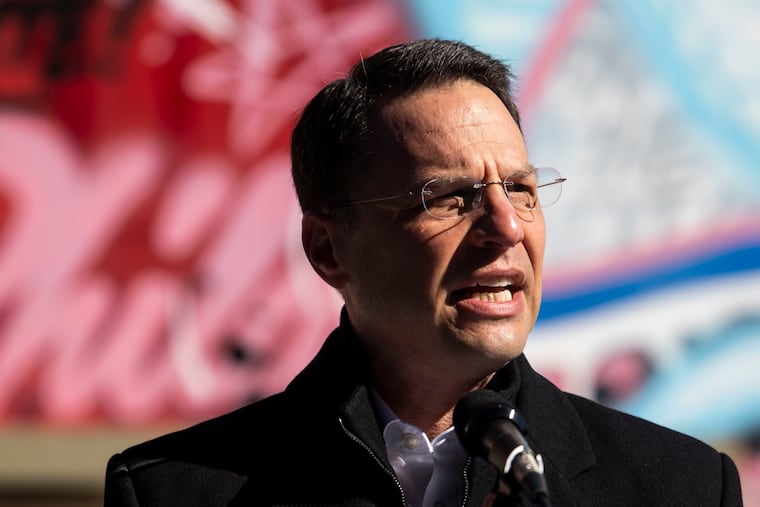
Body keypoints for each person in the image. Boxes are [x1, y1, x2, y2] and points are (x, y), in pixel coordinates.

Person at [104, 38, 743, 506]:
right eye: (451, 198)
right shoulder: (175, 492)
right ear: (328, 250)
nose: (507, 227)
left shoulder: (681, 487)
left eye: (521, 190)